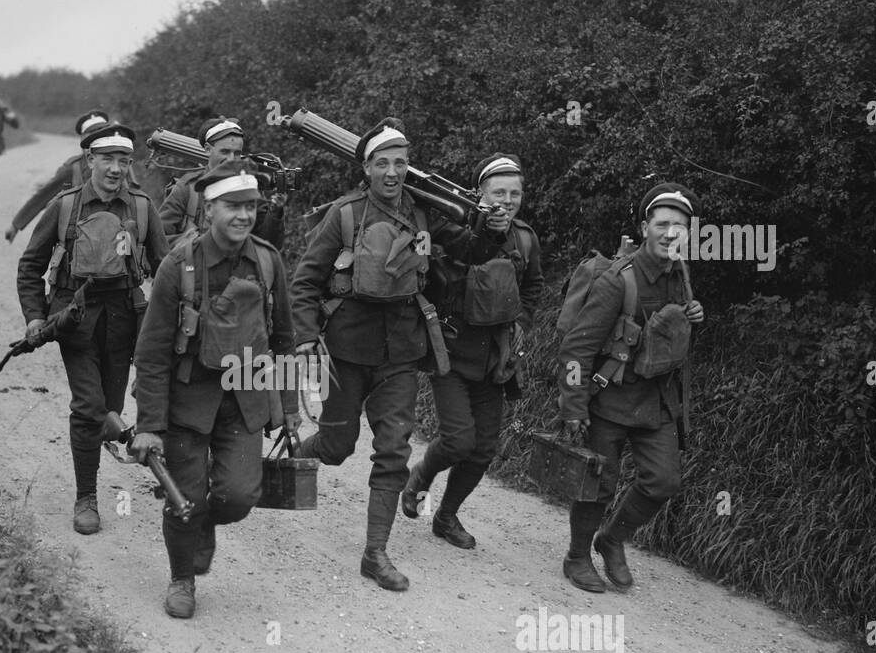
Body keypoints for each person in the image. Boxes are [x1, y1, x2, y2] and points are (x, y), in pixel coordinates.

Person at [288, 118, 458, 591]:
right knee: (338, 448)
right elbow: (304, 281)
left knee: (394, 450)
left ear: (408, 167)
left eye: (400, 162)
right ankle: (301, 455)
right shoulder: (343, 215)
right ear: (366, 168)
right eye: (382, 163)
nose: (392, 171)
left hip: (401, 352)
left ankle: (375, 553)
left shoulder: (424, 216)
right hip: (346, 350)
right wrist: (305, 336)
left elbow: (453, 259)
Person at [131, 161, 299, 618]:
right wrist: (149, 426)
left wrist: (288, 405)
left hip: (245, 400)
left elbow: (283, 337)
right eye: (233, 206)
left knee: (240, 495)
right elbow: (151, 353)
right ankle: (182, 579)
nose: (244, 216)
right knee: (185, 498)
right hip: (188, 401)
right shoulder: (177, 266)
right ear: (209, 210)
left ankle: (203, 523)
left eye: (251, 206)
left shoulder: (268, 261)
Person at [15, 122, 169, 535]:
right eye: (107, 159)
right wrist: (34, 316)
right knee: (88, 408)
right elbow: (31, 265)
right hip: (75, 318)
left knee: (109, 413)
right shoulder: (65, 206)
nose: (116, 168)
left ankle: (121, 440)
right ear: (90, 161)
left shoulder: (141, 207)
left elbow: (165, 270)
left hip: (124, 319)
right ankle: (86, 498)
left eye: (123, 160)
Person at [556, 182, 706, 592]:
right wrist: (573, 406)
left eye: (680, 225)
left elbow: (666, 335)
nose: (671, 233)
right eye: (662, 224)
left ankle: (613, 539)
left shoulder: (682, 278)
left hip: (656, 401)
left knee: (664, 481)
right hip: (609, 398)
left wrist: (692, 315)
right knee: (598, 483)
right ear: (644, 228)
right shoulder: (617, 281)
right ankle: (576, 556)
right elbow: (576, 348)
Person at [401, 152, 544, 547]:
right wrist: (483, 230)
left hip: (495, 358)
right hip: (451, 349)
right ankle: (421, 477)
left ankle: (446, 517)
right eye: (499, 191)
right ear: (479, 193)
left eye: (515, 192)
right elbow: (456, 257)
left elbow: (533, 286)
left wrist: (522, 323)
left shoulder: (527, 238)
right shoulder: (452, 226)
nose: (508, 200)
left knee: (482, 451)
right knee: (459, 440)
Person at [158, 116, 285, 249]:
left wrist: (274, 213)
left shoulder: (248, 186)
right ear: (207, 149)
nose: (230, 159)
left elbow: (268, 244)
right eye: (225, 151)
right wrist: (195, 243)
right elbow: (159, 241)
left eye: (237, 153)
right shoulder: (187, 188)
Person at [5, 108, 108, 242]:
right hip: (81, 238)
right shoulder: (73, 168)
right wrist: (16, 224)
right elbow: (44, 195)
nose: (98, 138)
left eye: (102, 133)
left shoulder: (121, 165)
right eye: (92, 134)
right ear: (83, 139)